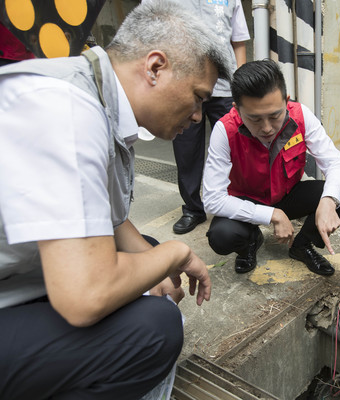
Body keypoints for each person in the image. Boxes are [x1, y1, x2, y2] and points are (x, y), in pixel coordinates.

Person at [0, 1, 230, 398]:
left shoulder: (95, 96)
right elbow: (85, 296)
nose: (197, 116)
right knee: (154, 330)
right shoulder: (68, 109)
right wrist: (175, 255)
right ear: (155, 67)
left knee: (149, 259)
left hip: (19, 284)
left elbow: (108, 217)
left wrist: (155, 263)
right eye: (197, 97)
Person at [203, 60, 340, 276]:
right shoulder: (224, 130)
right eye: (254, 119)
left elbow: (335, 163)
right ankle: (250, 243)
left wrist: (329, 201)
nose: (266, 128)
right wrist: (271, 214)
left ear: (286, 100)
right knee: (222, 236)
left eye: (275, 116)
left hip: (287, 195)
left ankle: (302, 246)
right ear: (237, 109)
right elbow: (212, 199)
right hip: (247, 198)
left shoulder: (301, 115)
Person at [171, 0, 250, 234]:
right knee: (187, 152)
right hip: (183, 86)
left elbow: (238, 42)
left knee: (236, 147)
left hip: (225, 88)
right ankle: (193, 209)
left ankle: (236, 203)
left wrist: (239, 83)